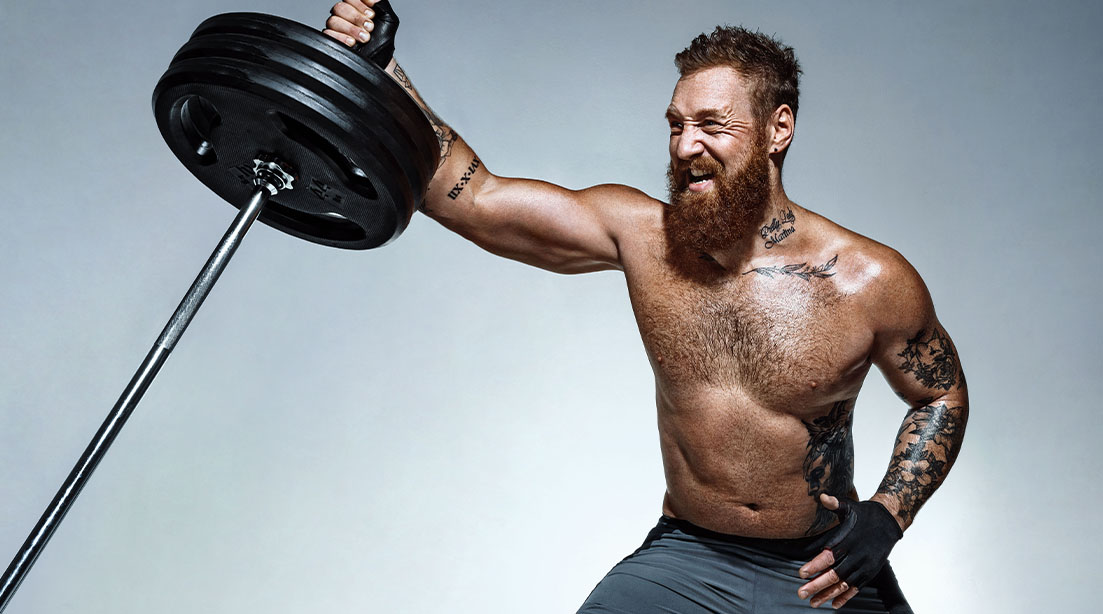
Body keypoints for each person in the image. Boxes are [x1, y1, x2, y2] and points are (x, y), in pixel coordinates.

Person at [325, 2, 969, 612]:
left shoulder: (867, 278)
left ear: (779, 129)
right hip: (688, 558)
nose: (685, 147)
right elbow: (476, 199)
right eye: (676, 125)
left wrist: (889, 514)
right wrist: (385, 73)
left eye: (712, 125)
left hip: (824, 570)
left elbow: (941, 394)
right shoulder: (643, 237)